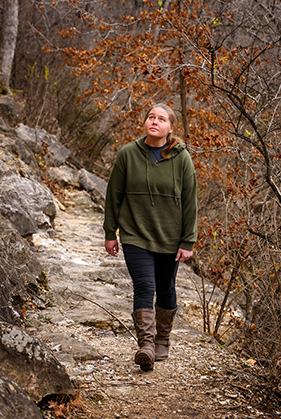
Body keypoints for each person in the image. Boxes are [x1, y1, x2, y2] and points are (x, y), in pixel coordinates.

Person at [104, 103, 197, 371]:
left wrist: (187, 241)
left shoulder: (182, 158)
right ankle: (145, 345)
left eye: (161, 119)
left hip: (170, 237)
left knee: (166, 288)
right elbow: (114, 196)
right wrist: (110, 233)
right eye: (150, 117)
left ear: (170, 127)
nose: (154, 122)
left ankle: (162, 340)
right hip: (135, 234)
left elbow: (190, 202)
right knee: (144, 286)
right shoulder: (127, 155)